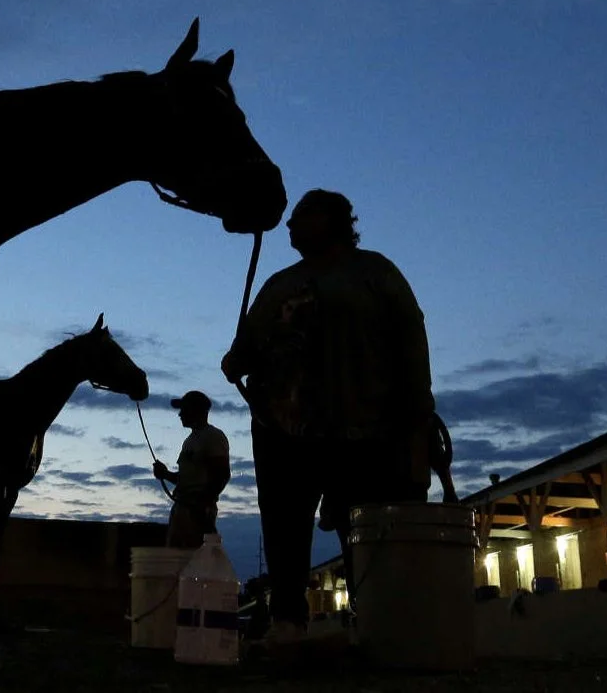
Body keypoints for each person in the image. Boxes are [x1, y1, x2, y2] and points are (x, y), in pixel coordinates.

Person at [220, 188, 447, 642]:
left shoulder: (375, 273)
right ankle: (288, 620)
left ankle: (377, 620)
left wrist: (417, 413)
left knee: (365, 529)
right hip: (283, 432)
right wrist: (236, 360)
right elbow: (245, 349)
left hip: (367, 428)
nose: (289, 226)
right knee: (284, 524)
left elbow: (411, 341)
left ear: (333, 220)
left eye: (302, 216)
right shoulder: (279, 284)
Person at [154, 391, 232, 549]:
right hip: (183, 508)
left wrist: (203, 503)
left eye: (184, 409)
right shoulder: (189, 440)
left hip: (197, 510)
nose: (180, 414)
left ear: (196, 411)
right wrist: (165, 474)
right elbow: (185, 478)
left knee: (194, 559)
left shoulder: (213, 436)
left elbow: (223, 474)